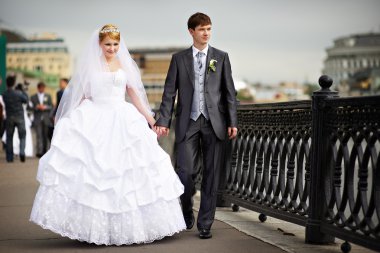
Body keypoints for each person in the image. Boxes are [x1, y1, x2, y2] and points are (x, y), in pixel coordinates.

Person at [30, 24, 186, 245]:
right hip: (95, 116)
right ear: (100, 45)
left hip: (122, 116)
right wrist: (67, 117)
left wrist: (152, 120)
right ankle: (93, 228)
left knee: (129, 173)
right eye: (108, 44)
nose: (112, 48)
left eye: (115, 44)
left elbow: (134, 95)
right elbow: (82, 95)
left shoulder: (125, 65)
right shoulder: (90, 67)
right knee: (93, 172)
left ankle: (129, 227)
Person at [155, 12, 238, 239]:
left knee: (211, 175)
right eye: (202, 29)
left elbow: (229, 92)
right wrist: (163, 120)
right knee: (185, 172)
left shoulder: (221, 57)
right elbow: (169, 92)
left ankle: (205, 224)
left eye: (209, 29)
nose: (206, 33)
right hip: (187, 122)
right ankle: (185, 206)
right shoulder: (179, 58)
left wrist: (233, 121)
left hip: (215, 123)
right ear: (191, 31)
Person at [2, 83, 34, 157]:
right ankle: (22, 151)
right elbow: (28, 103)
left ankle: (10, 156)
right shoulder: (22, 96)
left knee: (10, 137)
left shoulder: (7, 95)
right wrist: (25, 92)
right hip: (21, 117)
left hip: (10, 117)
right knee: (22, 136)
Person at [30, 82, 53, 157]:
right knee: (39, 135)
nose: (42, 89)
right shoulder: (33, 97)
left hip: (46, 118)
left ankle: (45, 151)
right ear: (38, 88)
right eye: (41, 88)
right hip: (37, 118)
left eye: (43, 88)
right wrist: (37, 107)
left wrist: (45, 107)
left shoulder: (48, 96)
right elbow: (29, 107)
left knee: (45, 135)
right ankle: (39, 152)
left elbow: (51, 106)